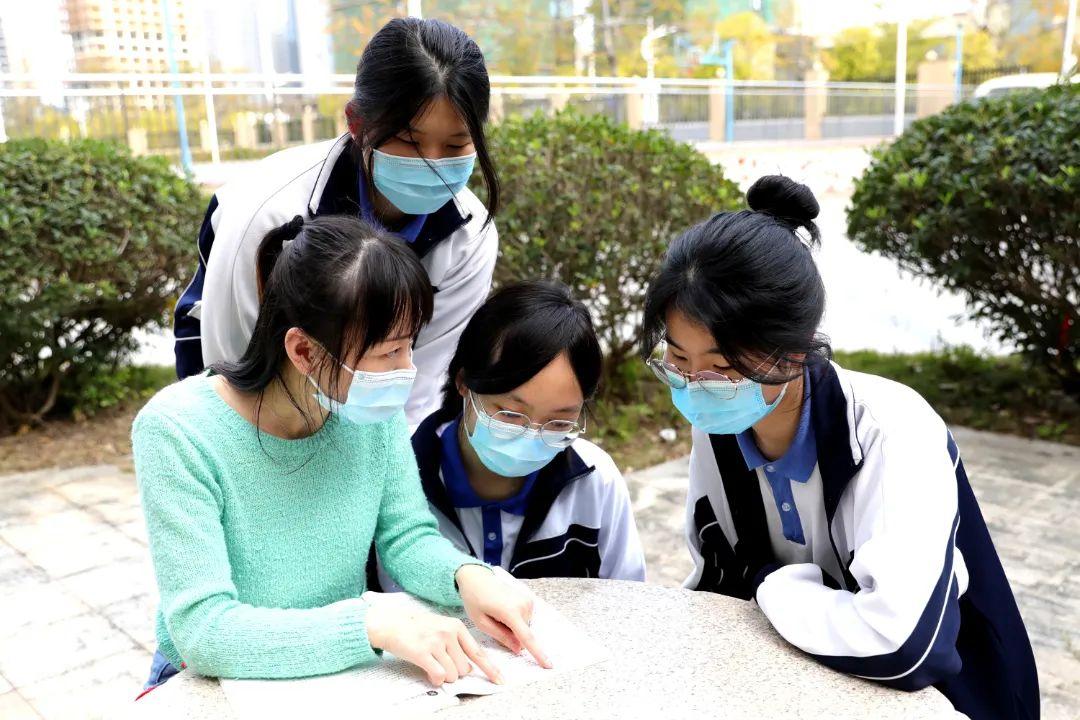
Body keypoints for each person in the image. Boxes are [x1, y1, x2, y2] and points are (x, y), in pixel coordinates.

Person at [638, 176, 1039, 719]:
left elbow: (902, 645)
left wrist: (770, 584)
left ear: (796, 349)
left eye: (723, 366)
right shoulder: (720, 422)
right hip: (808, 685)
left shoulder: (892, 431)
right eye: (679, 360)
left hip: (949, 699)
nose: (696, 386)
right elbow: (719, 573)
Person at [135, 216, 547, 694]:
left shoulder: (366, 410)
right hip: (208, 684)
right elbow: (204, 632)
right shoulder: (179, 430)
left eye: (410, 346)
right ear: (304, 351)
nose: (407, 370)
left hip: (336, 673)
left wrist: (466, 576)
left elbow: (407, 536)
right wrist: (370, 624)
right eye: (389, 352)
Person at [175, 17, 500, 427]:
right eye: (409, 141)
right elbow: (233, 367)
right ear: (357, 123)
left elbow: (420, 389)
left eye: (456, 144)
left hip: (359, 401)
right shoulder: (268, 214)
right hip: (250, 395)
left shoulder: (470, 236)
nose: (433, 163)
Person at [373, 281, 646, 590]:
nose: (531, 435)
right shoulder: (401, 472)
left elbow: (629, 599)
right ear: (464, 382)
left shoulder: (594, 481)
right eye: (510, 414)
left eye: (558, 422)